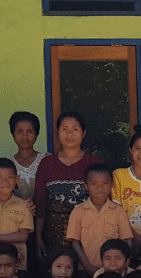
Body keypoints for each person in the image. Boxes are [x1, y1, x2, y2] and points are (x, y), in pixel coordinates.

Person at [34, 112, 102, 261]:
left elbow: (103, 202)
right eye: (65, 129)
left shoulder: (94, 163)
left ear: (83, 133)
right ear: (58, 133)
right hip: (54, 241)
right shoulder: (47, 164)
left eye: (75, 129)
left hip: (88, 238)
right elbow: (40, 203)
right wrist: (38, 237)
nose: (70, 134)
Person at [66, 163, 130, 275]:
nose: (100, 188)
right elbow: (75, 242)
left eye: (105, 183)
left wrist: (120, 264)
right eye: (94, 183)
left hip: (114, 270)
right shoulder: (78, 212)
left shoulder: (118, 211)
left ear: (112, 185)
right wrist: (88, 267)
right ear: (86, 186)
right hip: (85, 270)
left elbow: (126, 240)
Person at [8, 111, 47, 201]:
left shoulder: (46, 160)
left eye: (30, 131)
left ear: (36, 134)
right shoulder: (9, 165)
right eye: (19, 131)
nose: (25, 136)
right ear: (13, 134)